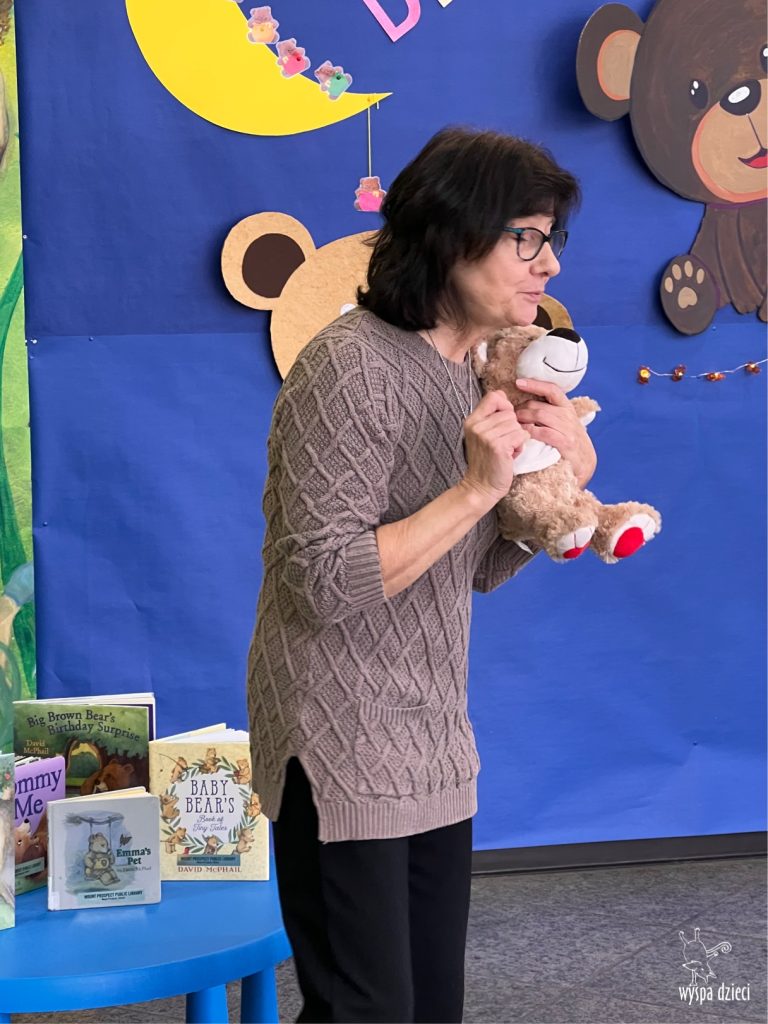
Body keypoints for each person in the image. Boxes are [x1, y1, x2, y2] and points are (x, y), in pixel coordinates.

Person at [246, 126, 596, 1023]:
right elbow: (321, 581)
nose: (549, 263)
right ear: (451, 234)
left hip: (431, 734)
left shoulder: (467, 373)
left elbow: (473, 568)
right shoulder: (349, 366)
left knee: (432, 1007)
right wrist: (478, 488)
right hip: (338, 739)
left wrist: (555, 486)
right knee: (368, 1011)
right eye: (526, 236)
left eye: (552, 238)